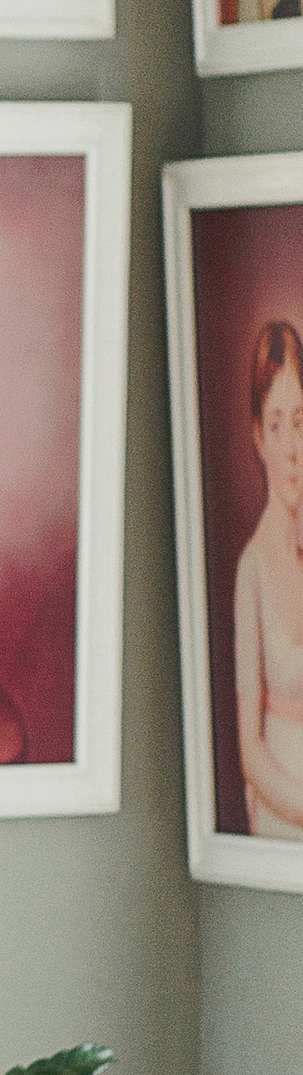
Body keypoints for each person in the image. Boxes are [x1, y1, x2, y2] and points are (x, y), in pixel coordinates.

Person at [234, 316, 303, 837]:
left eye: (300, 421)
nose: (292, 450)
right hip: (285, 813)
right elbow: (250, 753)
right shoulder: (252, 570)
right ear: (259, 439)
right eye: (277, 425)